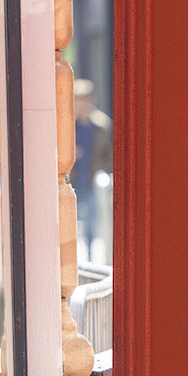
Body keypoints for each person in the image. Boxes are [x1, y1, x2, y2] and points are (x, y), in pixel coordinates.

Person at [70, 78, 113, 260]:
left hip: (92, 181)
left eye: (85, 98)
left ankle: (90, 261)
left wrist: (101, 173)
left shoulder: (102, 125)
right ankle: (74, 262)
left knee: (92, 225)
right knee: (71, 224)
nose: (82, 103)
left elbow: (110, 156)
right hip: (71, 182)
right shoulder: (68, 125)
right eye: (78, 99)